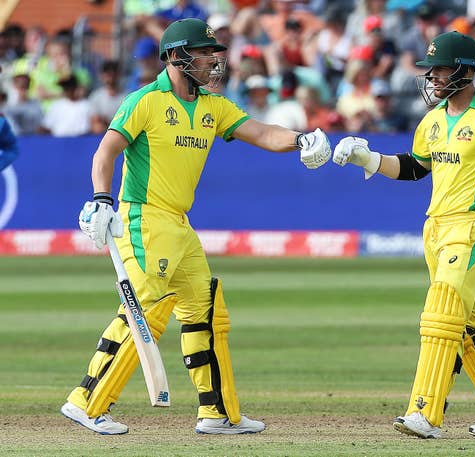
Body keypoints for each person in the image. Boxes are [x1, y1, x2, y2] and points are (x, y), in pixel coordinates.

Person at [61, 18, 331, 436]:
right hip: (145, 217)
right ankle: (86, 400)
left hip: (179, 225)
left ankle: (216, 413)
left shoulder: (212, 106)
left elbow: (261, 132)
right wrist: (101, 199)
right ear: (175, 57)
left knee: (204, 310)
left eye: (213, 53)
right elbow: (106, 150)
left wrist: (301, 140)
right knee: (144, 311)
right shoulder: (145, 100)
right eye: (203, 53)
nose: (212, 60)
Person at [332, 31, 475, 438]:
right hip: (435, 228)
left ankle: (425, 414)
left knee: (440, 313)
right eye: (431, 71)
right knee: (467, 324)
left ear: (465, 71)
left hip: (472, 227)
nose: (433, 78)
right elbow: (415, 167)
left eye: (441, 70)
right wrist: (369, 158)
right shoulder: (431, 120)